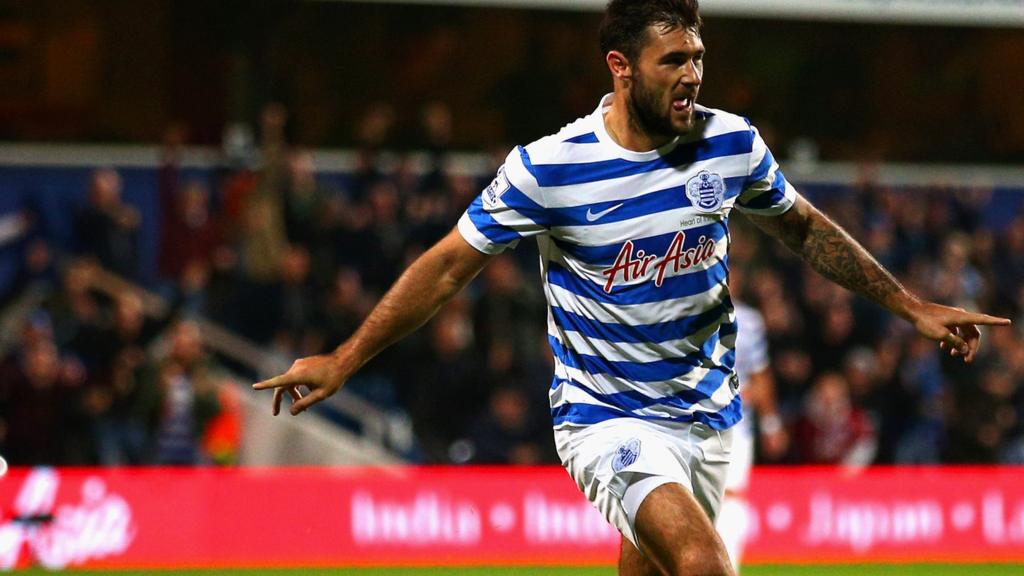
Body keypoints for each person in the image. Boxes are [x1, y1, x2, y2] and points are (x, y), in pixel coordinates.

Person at [254, 2, 1011, 574]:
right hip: (605, 414)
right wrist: (345, 359)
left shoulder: (730, 144)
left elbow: (805, 228)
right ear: (620, 66)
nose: (692, 75)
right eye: (672, 60)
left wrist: (911, 306)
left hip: (709, 413)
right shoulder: (549, 167)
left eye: (699, 57)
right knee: (704, 567)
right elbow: (449, 264)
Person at [714, 298, 787, 572]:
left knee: (731, 498)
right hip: (693, 424)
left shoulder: (749, 321)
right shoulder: (682, 308)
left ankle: (729, 567)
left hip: (736, 425)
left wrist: (770, 424)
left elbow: (760, 376)